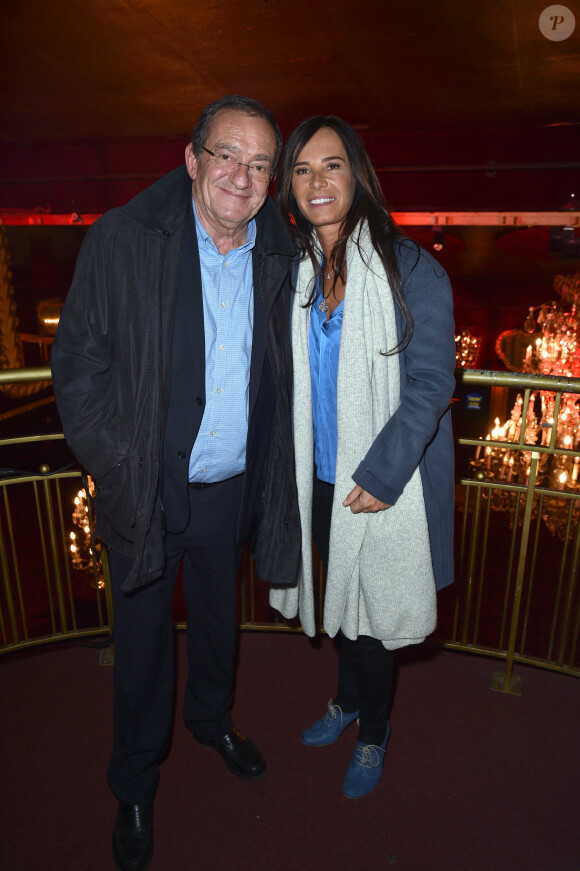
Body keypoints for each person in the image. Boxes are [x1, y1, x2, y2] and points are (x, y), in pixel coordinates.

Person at [51, 95, 299, 871]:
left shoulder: (278, 253)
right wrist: (121, 465)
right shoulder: (124, 239)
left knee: (220, 625)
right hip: (145, 489)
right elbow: (78, 368)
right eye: (226, 154)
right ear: (191, 160)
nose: (242, 175)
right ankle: (132, 782)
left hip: (228, 488)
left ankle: (212, 718)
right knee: (143, 643)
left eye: (260, 164)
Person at [269, 116, 455, 799]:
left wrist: (381, 474)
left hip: (383, 483)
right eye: (302, 169)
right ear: (289, 184)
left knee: (373, 620)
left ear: (358, 175)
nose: (318, 181)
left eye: (332, 165)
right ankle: (346, 700)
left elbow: (433, 383)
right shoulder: (298, 271)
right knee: (341, 603)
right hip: (316, 479)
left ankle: (374, 728)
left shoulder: (410, 269)